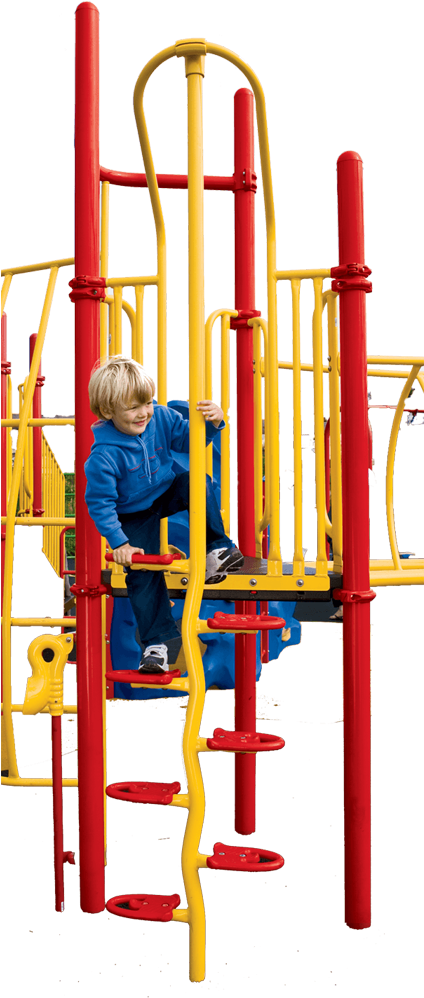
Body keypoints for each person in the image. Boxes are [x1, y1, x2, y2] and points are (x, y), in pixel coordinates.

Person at [84, 356, 244, 674]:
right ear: (107, 412)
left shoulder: (158, 416)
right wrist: (120, 542)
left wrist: (213, 423)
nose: (144, 412)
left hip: (166, 491)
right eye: (133, 408)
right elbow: (100, 504)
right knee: (141, 573)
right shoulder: (103, 457)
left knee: (196, 480)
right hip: (132, 513)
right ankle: (157, 645)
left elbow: (190, 439)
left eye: (146, 402)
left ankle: (217, 549)